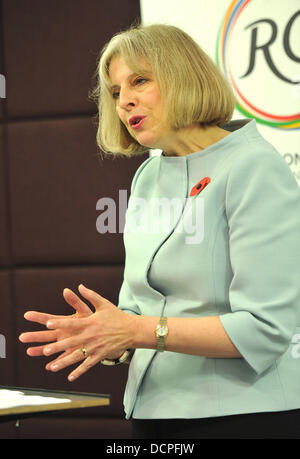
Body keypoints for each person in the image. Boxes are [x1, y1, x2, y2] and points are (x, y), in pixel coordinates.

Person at [19, 24, 300, 439]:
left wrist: (136, 330)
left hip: (244, 417)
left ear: (183, 76)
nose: (125, 100)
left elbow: (265, 327)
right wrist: (109, 336)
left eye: (139, 80)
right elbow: (139, 311)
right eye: (115, 92)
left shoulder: (252, 167)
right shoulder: (147, 176)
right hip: (153, 412)